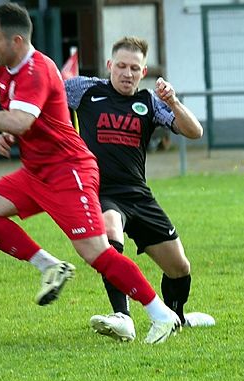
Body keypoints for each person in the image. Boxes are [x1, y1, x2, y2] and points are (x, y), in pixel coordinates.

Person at [0, 2, 181, 344]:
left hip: (69, 172)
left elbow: (21, 120)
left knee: (97, 252)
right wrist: (6, 128)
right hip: (36, 172)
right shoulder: (6, 67)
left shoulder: (37, 69)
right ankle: (50, 266)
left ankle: (161, 314)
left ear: (16, 41)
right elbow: (23, 114)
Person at [54, 35, 214, 341]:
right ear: (109, 65)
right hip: (100, 191)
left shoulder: (149, 102)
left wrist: (173, 102)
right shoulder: (85, 89)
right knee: (110, 233)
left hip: (138, 195)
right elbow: (39, 93)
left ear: (144, 72)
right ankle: (122, 316)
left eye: (134, 68)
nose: (127, 73)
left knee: (179, 267)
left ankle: (177, 318)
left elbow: (195, 132)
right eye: (121, 66)